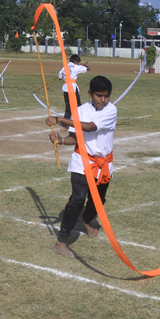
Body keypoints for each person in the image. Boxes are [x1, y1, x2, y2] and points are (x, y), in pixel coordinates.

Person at [45, 75, 117, 257]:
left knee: (98, 200)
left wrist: (60, 119)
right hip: (81, 162)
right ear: (90, 93)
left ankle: (86, 220)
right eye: (99, 95)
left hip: (103, 164)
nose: (103, 100)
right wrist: (61, 140)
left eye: (106, 96)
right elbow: (75, 137)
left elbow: (90, 127)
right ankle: (61, 242)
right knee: (77, 200)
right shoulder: (80, 110)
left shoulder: (111, 110)